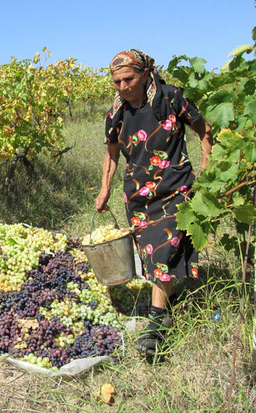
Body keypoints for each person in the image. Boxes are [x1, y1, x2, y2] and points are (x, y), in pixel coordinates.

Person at [95, 49, 213, 357]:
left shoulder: (171, 98)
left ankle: (157, 325)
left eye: (128, 79)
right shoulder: (116, 112)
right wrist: (104, 188)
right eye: (116, 81)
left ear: (145, 72)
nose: (122, 86)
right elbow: (112, 153)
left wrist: (207, 168)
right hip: (137, 195)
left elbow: (202, 128)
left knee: (163, 249)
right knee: (151, 254)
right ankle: (167, 300)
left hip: (176, 188)